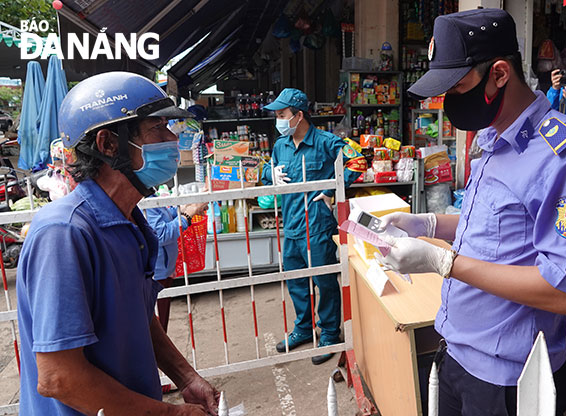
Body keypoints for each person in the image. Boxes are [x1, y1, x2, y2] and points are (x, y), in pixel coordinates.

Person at [377, 9, 566, 415]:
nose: (450, 100)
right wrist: (428, 223)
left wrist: (442, 262)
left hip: (510, 379)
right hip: (455, 352)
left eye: (458, 86)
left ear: (500, 73)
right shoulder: (493, 138)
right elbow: (492, 226)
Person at [16, 72, 219, 415]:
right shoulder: (64, 234)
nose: (172, 139)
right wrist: (171, 414)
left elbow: (135, 316)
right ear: (108, 144)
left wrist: (185, 378)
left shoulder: (128, 221)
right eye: (157, 129)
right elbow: (58, 377)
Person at [261, 88, 366, 365]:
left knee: (324, 281)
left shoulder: (327, 142)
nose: (278, 120)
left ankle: (330, 333)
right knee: (296, 281)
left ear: (298, 115)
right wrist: (268, 174)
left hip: (317, 225)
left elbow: (358, 160)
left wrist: (334, 190)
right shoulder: (280, 145)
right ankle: (304, 329)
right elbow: (267, 170)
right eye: (276, 115)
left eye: (282, 115)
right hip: (291, 224)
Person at [146, 188, 207, 334]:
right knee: (158, 328)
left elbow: (164, 217)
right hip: (156, 274)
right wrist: (187, 216)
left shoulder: (149, 194)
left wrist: (184, 208)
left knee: (160, 323)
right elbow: (160, 235)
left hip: (163, 270)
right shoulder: (143, 200)